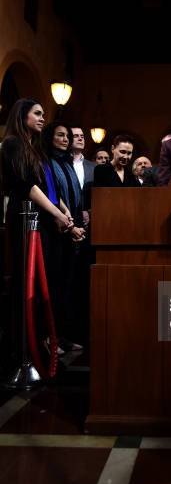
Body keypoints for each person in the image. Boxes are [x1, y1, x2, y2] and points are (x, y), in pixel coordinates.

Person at [0, 99, 72, 356]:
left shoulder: (36, 149)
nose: (43, 118)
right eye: (38, 113)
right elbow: (27, 186)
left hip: (44, 220)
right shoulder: (13, 144)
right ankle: (22, 346)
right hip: (26, 218)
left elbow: (48, 186)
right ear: (23, 115)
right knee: (26, 280)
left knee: (47, 279)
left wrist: (64, 210)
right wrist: (56, 213)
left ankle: (41, 337)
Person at [41, 121, 86, 351]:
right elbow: (52, 196)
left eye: (67, 135)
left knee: (69, 286)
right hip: (54, 230)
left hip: (71, 229)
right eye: (60, 135)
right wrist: (69, 225)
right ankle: (50, 337)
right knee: (54, 285)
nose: (65, 139)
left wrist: (77, 225)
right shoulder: (46, 161)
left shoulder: (67, 162)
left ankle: (64, 335)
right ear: (50, 138)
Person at [71, 126, 95, 225]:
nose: (80, 138)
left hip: (89, 219)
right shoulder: (61, 164)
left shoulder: (94, 167)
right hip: (66, 216)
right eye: (76, 136)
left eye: (82, 136)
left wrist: (89, 211)